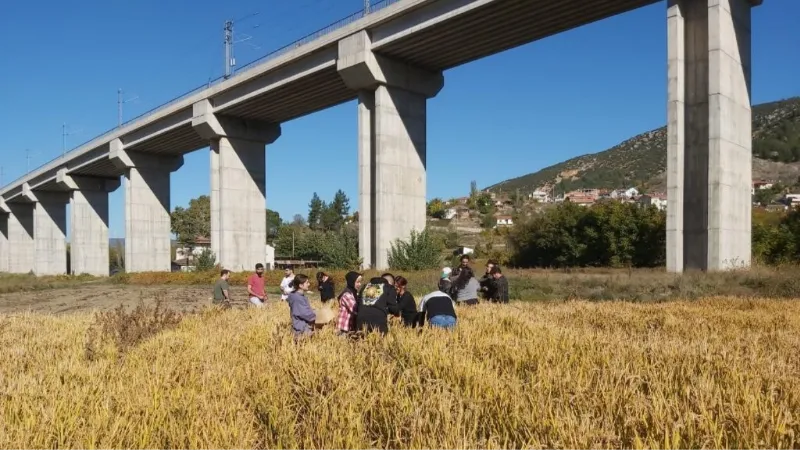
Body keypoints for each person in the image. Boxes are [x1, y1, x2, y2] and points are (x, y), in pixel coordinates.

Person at [287, 274, 316, 338]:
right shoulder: (297, 298)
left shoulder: (297, 295)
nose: (309, 284)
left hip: (301, 327)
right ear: (300, 285)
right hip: (301, 329)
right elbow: (305, 313)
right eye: (307, 282)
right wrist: (318, 315)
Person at [336, 271, 362, 336]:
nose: (360, 284)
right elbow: (355, 309)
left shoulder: (354, 293)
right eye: (357, 282)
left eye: (360, 282)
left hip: (349, 328)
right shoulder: (347, 295)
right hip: (344, 328)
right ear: (351, 282)